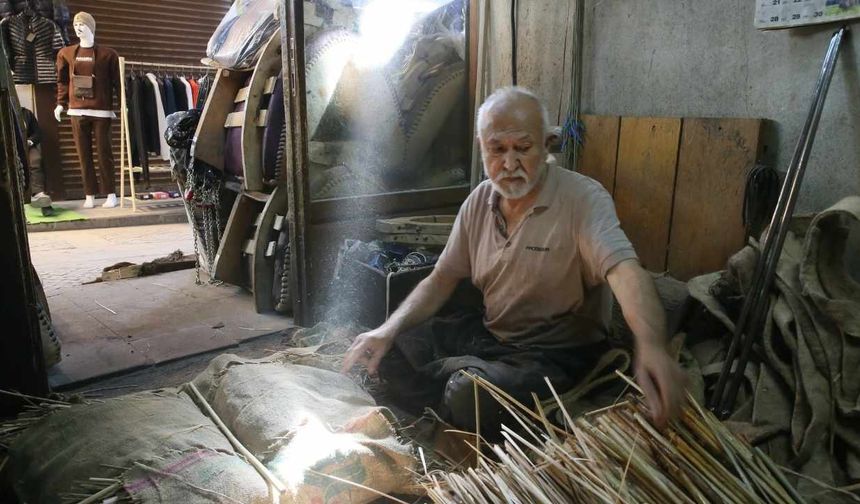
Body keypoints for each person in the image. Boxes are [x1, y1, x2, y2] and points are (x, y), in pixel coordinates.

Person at [342, 87, 685, 434]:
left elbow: (625, 271)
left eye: (522, 148)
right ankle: (457, 392)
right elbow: (441, 278)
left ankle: (456, 395)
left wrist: (651, 344)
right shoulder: (479, 202)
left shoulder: (583, 200)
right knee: (383, 348)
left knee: (469, 394)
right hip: (489, 337)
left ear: (547, 144)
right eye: (496, 150)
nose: (508, 164)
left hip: (556, 355)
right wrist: (387, 330)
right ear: (481, 147)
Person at [21, 107, 54, 214]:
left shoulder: (26, 113)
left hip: (26, 147)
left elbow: (38, 133)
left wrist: (30, 142)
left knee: (35, 159)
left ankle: (40, 195)